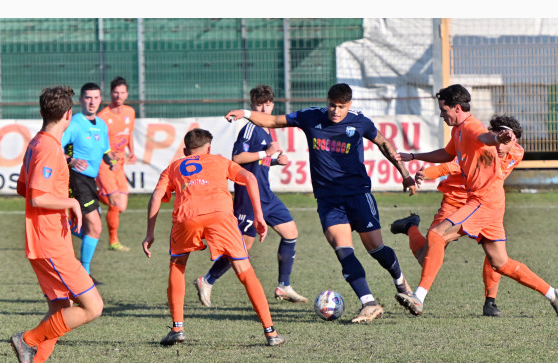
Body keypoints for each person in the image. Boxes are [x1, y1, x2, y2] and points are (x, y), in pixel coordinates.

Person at [225, 83, 417, 323]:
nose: (335, 111)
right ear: (327, 102)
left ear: (350, 105)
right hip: (328, 199)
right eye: (332, 105)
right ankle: (369, 303)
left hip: (358, 194)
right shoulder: (311, 116)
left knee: (376, 249)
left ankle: (402, 284)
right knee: (343, 250)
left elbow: (383, 143)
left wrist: (405, 173)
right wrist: (244, 113)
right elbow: (272, 121)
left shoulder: (360, 122)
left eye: (341, 107)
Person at [393, 84, 558, 318]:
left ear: (457, 108)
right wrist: (414, 156)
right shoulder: (457, 130)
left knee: (437, 234)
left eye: (443, 110)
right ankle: (553, 294)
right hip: (492, 203)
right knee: (500, 262)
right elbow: (448, 154)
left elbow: (485, 137)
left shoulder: (471, 127)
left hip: (482, 201)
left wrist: (497, 138)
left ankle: (419, 298)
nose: (441, 114)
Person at [142, 128, 285, 347]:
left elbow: (156, 196)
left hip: (187, 217)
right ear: (209, 148)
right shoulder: (219, 160)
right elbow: (249, 177)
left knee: (177, 265)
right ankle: (271, 332)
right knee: (244, 270)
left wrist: (150, 233)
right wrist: (258, 216)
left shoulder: (173, 167)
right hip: (221, 216)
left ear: (184, 150)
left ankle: (177, 328)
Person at [11, 86, 104, 363]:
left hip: (44, 241)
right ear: (68, 115)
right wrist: (71, 202)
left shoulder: (37, 142)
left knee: (58, 312)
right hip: (50, 243)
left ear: (42, 112)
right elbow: (37, 197)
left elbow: (23, 189)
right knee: (92, 307)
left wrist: (60, 200)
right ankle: (28, 341)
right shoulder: (49, 148)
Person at [391, 115, 525, 317]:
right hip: (456, 201)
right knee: (425, 257)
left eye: (508, 138)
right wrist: (430, 172)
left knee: (495, 251)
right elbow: (453, 162)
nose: (503, 140)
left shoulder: (517, 152)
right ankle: (411, 227)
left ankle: (490, 302)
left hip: (483, 203)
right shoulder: (479, 144)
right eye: (499, 135)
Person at [194, 85, 307, 307]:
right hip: (248, 195)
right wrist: (267, 153)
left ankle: (283, 285)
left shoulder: (267, 129)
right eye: (259, 104)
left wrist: (273, 161)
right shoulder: (250, 128)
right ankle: (207, 280)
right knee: (242, 247)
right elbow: (237, 158)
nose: (263, 108)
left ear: (273, 105)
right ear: (252, 105)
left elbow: (257, 161)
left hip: (266, 195)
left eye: (267, 104)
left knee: (291, 233)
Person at [61, 82, 115, 286]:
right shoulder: (75, 123)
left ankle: (63, 227)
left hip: (91, 180)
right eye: (88, 98)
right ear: (81, 100)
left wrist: (111, 159)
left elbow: (105, 149)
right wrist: (71, 160)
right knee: (95, 226)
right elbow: (56, 146)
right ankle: (84, 273)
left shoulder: (101, 124)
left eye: (95, 98)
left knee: (92, 228)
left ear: (101, 100)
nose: (92, 102)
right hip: (76, 178)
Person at [97, 76, 137, 252]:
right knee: (115, 204)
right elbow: (98, 142)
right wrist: (108, 156)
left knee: (122, 206)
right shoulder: (103, 116)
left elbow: (129, 134)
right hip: (105, 164)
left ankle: (91, 194)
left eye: (122, 92)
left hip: (120, 165)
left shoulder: (130, 112)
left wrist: (132, 151)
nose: (118, 96)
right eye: (115, 92)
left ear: (126, 94)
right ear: (110, 93)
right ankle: (113, 241)